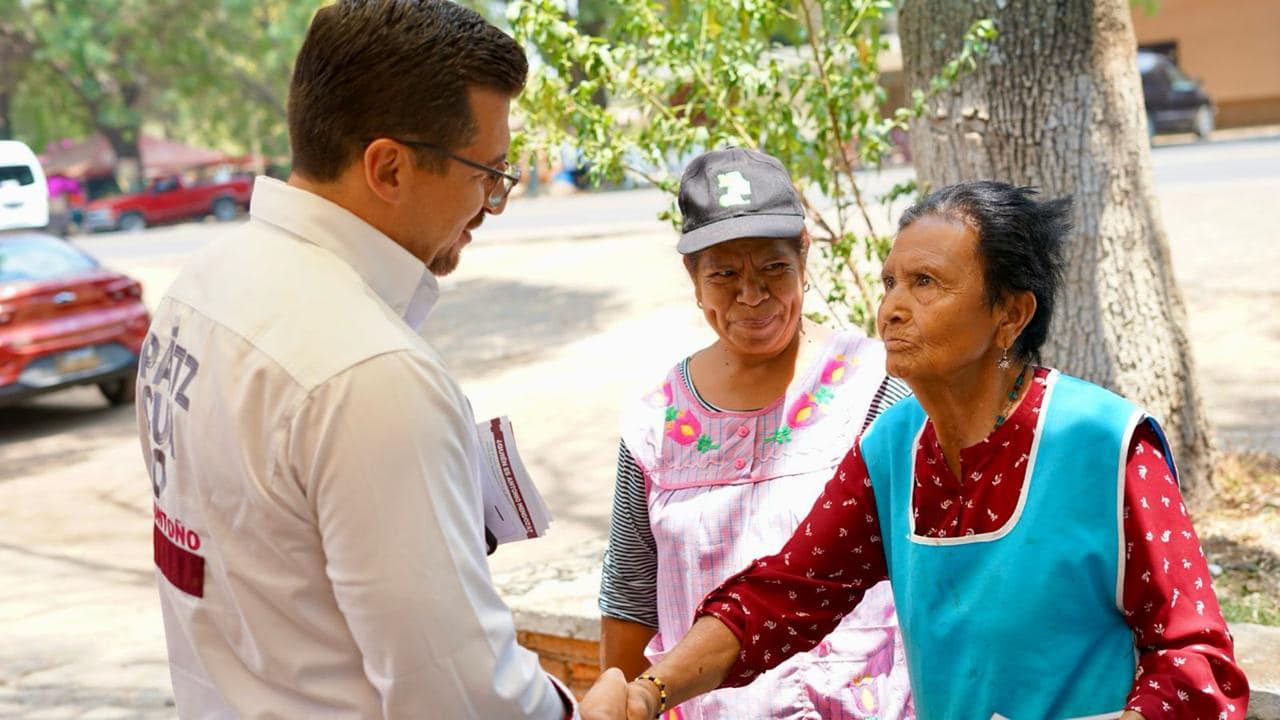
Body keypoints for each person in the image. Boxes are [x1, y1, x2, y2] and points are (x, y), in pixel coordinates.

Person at [594, 181, 1249, 720]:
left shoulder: (1104, 445)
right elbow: (787, 593)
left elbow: (1197, 661)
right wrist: (648, 692)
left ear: (1011, 314)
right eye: (889, 284)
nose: (892, 310)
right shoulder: (893, 447)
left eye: (926, 284)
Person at [135, 2, 624, 716]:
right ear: (388, 167)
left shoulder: (203, 287)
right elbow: (460, 699)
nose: (494, 203)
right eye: (486, 173)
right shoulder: (370, 375)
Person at [599, 147, 914, 719]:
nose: (752, 296)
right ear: (692, 276)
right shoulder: (655, 425)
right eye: (723, 274)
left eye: (773, 267)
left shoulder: (877, 390)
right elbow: (630, 594)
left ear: (804, 256)